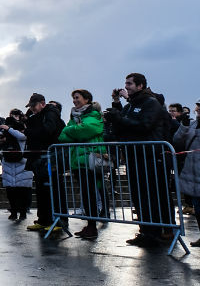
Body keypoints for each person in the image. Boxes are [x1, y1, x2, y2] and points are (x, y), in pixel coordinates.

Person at [106, 73, 175, 246]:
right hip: (134, 156)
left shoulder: (150, 103)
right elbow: (123, 127)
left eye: (129, 83)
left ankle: (157, 233)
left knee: (153, 196)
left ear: (140, 86)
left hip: (150, 157)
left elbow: (144, 126)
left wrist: (119, 118)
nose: (126, 86)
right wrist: (115, 116)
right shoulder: (131, 105)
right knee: (139, 197)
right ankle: (145, 231)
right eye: (125, 83)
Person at [57, 89, 105, 239]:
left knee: (90, 194)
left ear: (87, 99)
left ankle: (92, 227)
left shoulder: (94, 116)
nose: (74, 101)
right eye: (73, 98)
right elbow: (62, 136)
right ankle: (90, 226)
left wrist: (71, 130)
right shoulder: (76, 117)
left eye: (77, 98)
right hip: (79, 161)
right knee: (86, 194)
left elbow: (87, 129)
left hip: (89, 160)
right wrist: (76, 132)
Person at [24, 93, 66, 233]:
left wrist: (29, 131)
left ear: (42, 103)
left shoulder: (51, 113)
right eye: (30, 106)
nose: (32, 109)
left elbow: (48, 130)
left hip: (50, 157)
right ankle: (43, 220)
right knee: (42, 190)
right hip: (40, 157)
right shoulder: (38, 115)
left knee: (54, 189)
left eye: (33, 106)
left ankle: (59, 220)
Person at [0, 112, 32, 221]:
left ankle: (23, 213)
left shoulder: (20, 129)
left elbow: (23, 137)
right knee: (11, 192)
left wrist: (9, 129)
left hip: (21, 165)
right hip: (8, 165)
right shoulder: (4, 133)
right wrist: (0, 139)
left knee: (22, 191)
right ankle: (14, 212)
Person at [174, 100, 200, 247]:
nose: (197, 110)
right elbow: (178, 140)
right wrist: (183, 125)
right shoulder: (193, 124)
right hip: (192, 171)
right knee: (198, 208)